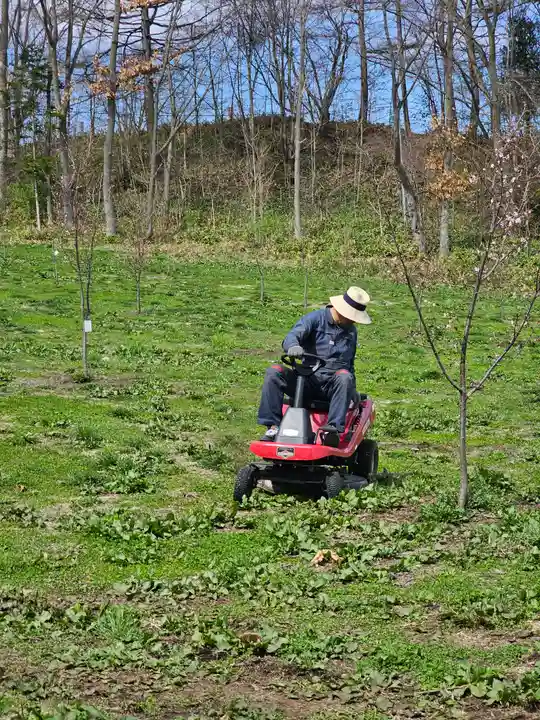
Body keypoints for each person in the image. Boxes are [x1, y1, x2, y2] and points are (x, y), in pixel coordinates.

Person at [258, 287, 372, 447]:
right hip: (305, 382)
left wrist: (352, 389)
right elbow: (292, 336)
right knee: (274, 372)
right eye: (352, 317)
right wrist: (293, 346)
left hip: (333, 386)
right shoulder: (314, 319)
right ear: (342, 311)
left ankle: (332, 431)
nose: (354, 321)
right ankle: (273, 427)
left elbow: (349, 363)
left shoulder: (351, 332)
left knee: (345, 376)